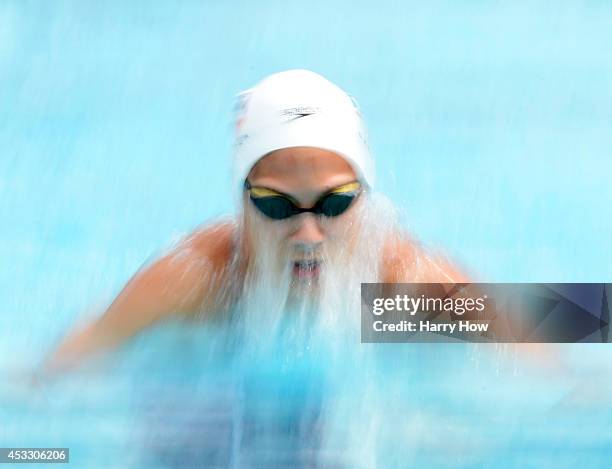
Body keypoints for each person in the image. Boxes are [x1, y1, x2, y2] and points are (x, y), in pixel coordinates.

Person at [41, 69, 469, 376]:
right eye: (276, 205)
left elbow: (529, 339)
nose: (307, 234)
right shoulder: (198, 279)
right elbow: (58, 373)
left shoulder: (400, 280)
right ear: (242, 205)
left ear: (365, 199)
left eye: (335, 203)